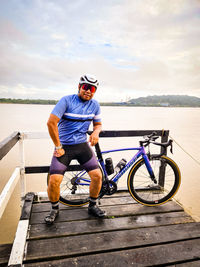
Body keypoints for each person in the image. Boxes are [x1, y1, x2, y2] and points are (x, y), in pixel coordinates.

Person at [45, 74, 106, 224]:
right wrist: (58, 146)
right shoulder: (66, 100)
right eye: (85, 87)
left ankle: (92, 205)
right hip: (64, 146)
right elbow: (51, 123)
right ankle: (54, 209)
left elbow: (97, 124)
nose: (88, 91)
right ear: (79, 87)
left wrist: (96, 132)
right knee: (54, 180)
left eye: (92, 89)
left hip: (82, 145)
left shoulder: (95, 105)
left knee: (97, 176)